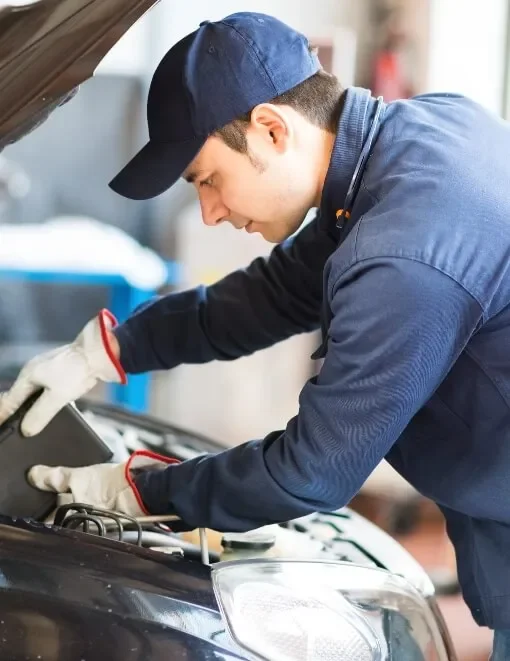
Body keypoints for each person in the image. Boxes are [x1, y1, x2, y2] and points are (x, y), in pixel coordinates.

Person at [1, 12, 510, 659]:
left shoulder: (404, 252)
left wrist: (139, 488)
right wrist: (103, 351)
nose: (210, 210)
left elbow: (310, 471)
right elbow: (264, 299)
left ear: (271, 128)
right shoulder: (403, 152)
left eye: (208, 179)